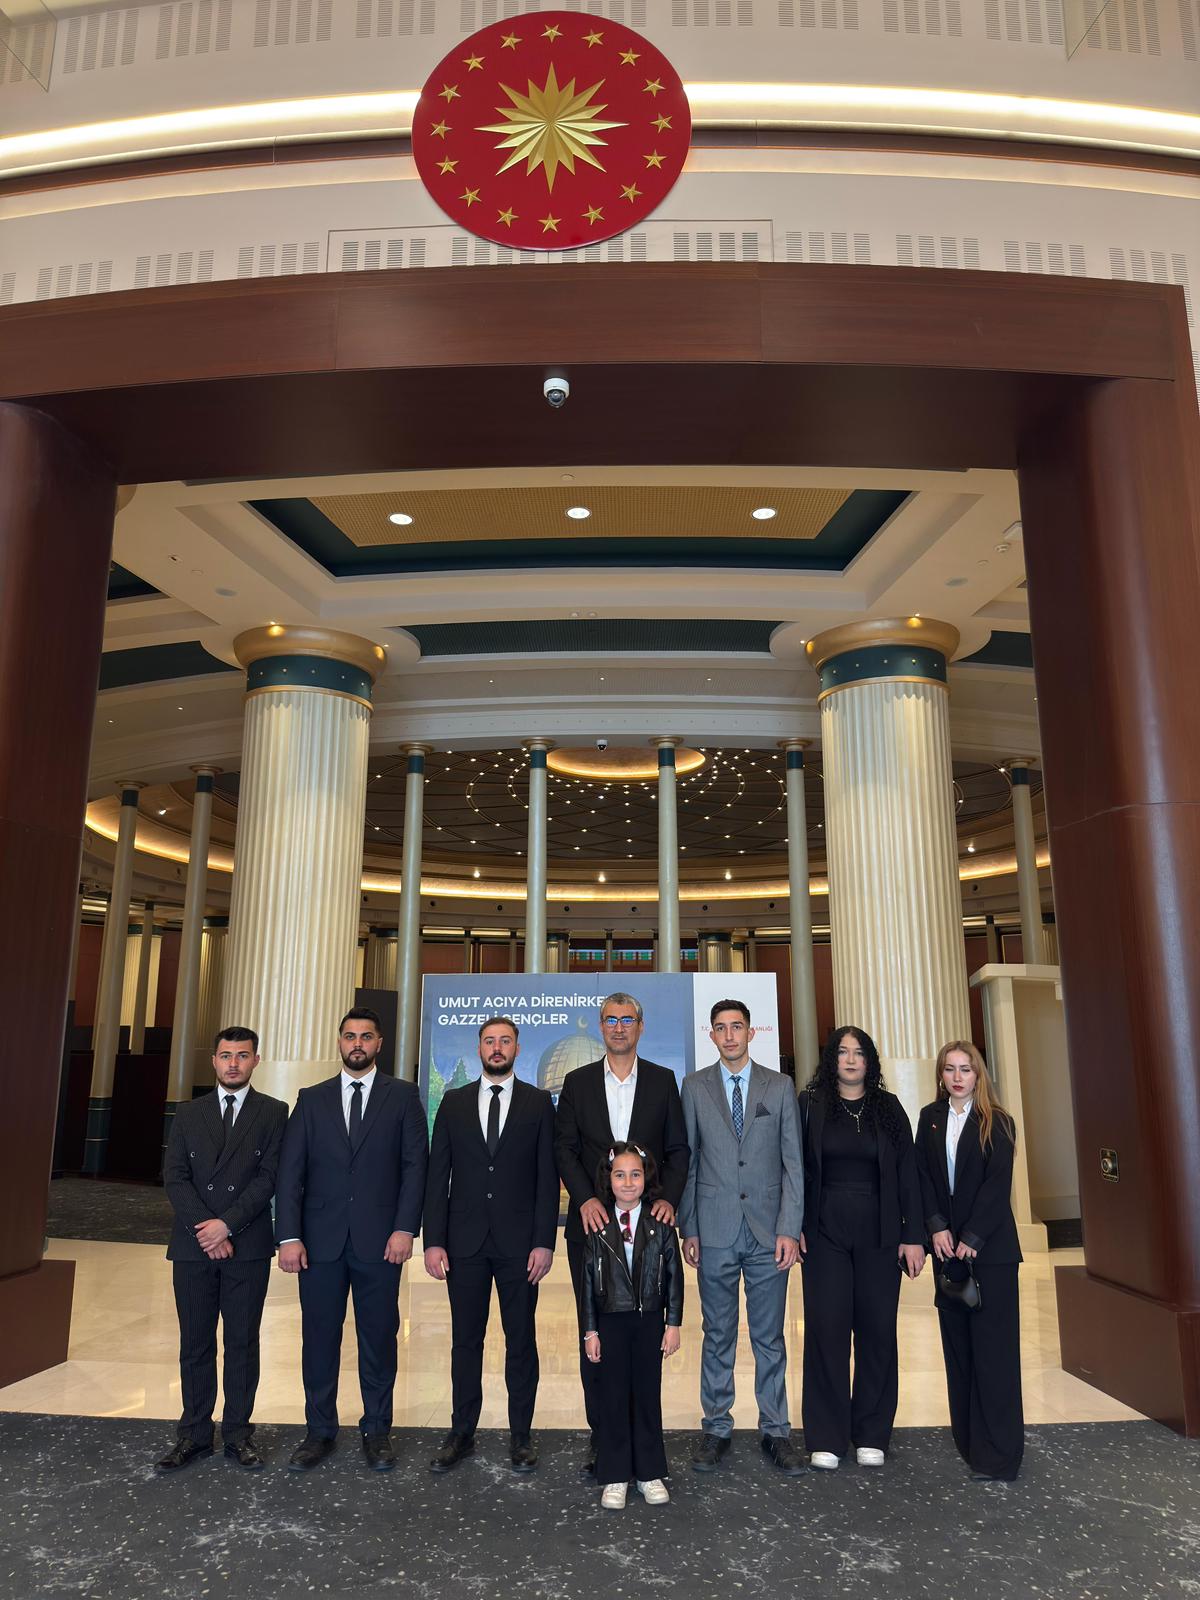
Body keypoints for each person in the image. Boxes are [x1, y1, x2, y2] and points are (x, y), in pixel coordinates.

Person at [275, 1007, 428, 1473]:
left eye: (365, 1036)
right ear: (339, 1042)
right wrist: (289, 1236)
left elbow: (415, 1168)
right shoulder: (311, 1099)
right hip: (318, 1243)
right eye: (349, 1036)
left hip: (381, 1242)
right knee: (319, 1338)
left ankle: (377, 1431)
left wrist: (405, 1228)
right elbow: (290, 1172)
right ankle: (318, 1431)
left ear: (379, 1043)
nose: (356, 1043)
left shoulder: (402, 1096)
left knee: (378, 1338)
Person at [554, 990, 689, 1476]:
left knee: (644, 1337)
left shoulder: (662, 1080)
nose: (618, 1027)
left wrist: (667, 1200)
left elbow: (677, 1150)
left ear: (640, 1026)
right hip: (592, 1230)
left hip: (648, 1233)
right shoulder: (577, 1082)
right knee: (596, 1335)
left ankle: (641, 1438)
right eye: (610, 1019)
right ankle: (604, 1438)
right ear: (601, 1026)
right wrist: (585, 1199)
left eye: (626, 1019)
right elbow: (564, 1148)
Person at [422, 1016, 558, 1475]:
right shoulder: (454, 1102)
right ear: (478, 1047)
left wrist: (544, 1242)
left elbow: (546, 1179)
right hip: (464, 1243)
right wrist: (434, 1241)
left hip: (521, 1246)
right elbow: (437, 1175)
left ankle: (521, 1436)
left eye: (505, 1041)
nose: (496, 1048)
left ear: (517, 1048)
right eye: (489, 1041)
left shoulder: (538, 1103)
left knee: (521, 1340)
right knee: (466, 1341)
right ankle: (461, 1432)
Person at [679, 998, 805, 1475]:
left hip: (769, 1233)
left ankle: (776, 1430)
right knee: (717, 1334)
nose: (729, 1035)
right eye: (720, 1028)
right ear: (711, 1035)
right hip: (713, 1230)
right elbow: (688, 1160)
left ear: (752, 1033)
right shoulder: (694, 1087)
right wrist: (689, 1226)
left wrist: (789, 1228)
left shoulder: (780, 1086)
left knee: (770, 1336)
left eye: (737, 1027)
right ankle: (716, 1428)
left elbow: (793, 1165)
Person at [158, 1026, 287, 1473]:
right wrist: (207, 1230)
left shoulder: (274, 1112)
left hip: (246, 1245)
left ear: (256, 1061)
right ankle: (193, 1435)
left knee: (242, 1343)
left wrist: (227, 1225)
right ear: (213, 1060)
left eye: (243, 1055)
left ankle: (237, 1434)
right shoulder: (188, 1113)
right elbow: (175, 1176)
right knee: (195, 1343)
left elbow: (269, 1178)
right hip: (193, 1246)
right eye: (226, 1055)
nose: (234, 1063)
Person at [798, 1026, 926, 1471]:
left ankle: (872, 1432)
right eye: (842, 1052)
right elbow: (795, 1168)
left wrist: (913, 1236)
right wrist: (794, 1226)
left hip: (880, 1233)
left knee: (877, 1329)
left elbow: (909, 1174)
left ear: (869, 1061)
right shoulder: (810, 1105)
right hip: (824, 1233)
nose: (850, 1060)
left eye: (859, 1053)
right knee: (827, 1330)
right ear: (830, 1059)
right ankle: (827, 1436)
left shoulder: (888, 1107)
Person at [915, 1039, 1024, 1481]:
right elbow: (922, 1176)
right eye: (950, 1069)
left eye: (965, 1069)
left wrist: (973, 1236)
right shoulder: (930, 1118)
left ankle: (999, 1457)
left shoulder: (998, 1121)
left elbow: (998, 1185)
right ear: (941, 1075)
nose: (957, 1077)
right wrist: (936, 1227)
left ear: (978, 1074)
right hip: (947, 1253)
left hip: (991, 1254)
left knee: (994, 1356)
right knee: (959, 1352)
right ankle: (970, 1444)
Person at [579, 1142, 684, 1510]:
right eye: (620, 1175)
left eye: (635, 1174)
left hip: (649, 1319)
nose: (628, 1182)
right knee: (613, 1396)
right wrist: (590, 1331)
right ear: (609, 1179)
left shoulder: (660, 1224)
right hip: (610, 1320)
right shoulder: (598, 1225)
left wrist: (673, 1323)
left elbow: (674, 1276)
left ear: (646, 1178)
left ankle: (649, 1472)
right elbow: (587, 1282)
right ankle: (615, 1474)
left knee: (646, 1394)